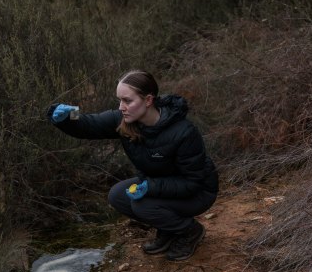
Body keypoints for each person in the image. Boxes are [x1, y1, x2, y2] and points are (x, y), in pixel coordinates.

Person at [47, 70, 218, 261]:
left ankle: (189, 231)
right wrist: (68, 118)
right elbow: (89, 124)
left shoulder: (183, 132)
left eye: (127, 101)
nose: (121, 107)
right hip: (162, 184)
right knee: (118, 196)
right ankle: (168, 229)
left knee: (142, 206)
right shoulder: (125, 121)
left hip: (198, 191)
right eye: (120, 100)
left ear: (148, 100)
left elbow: (193, 182)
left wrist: (150, 187)